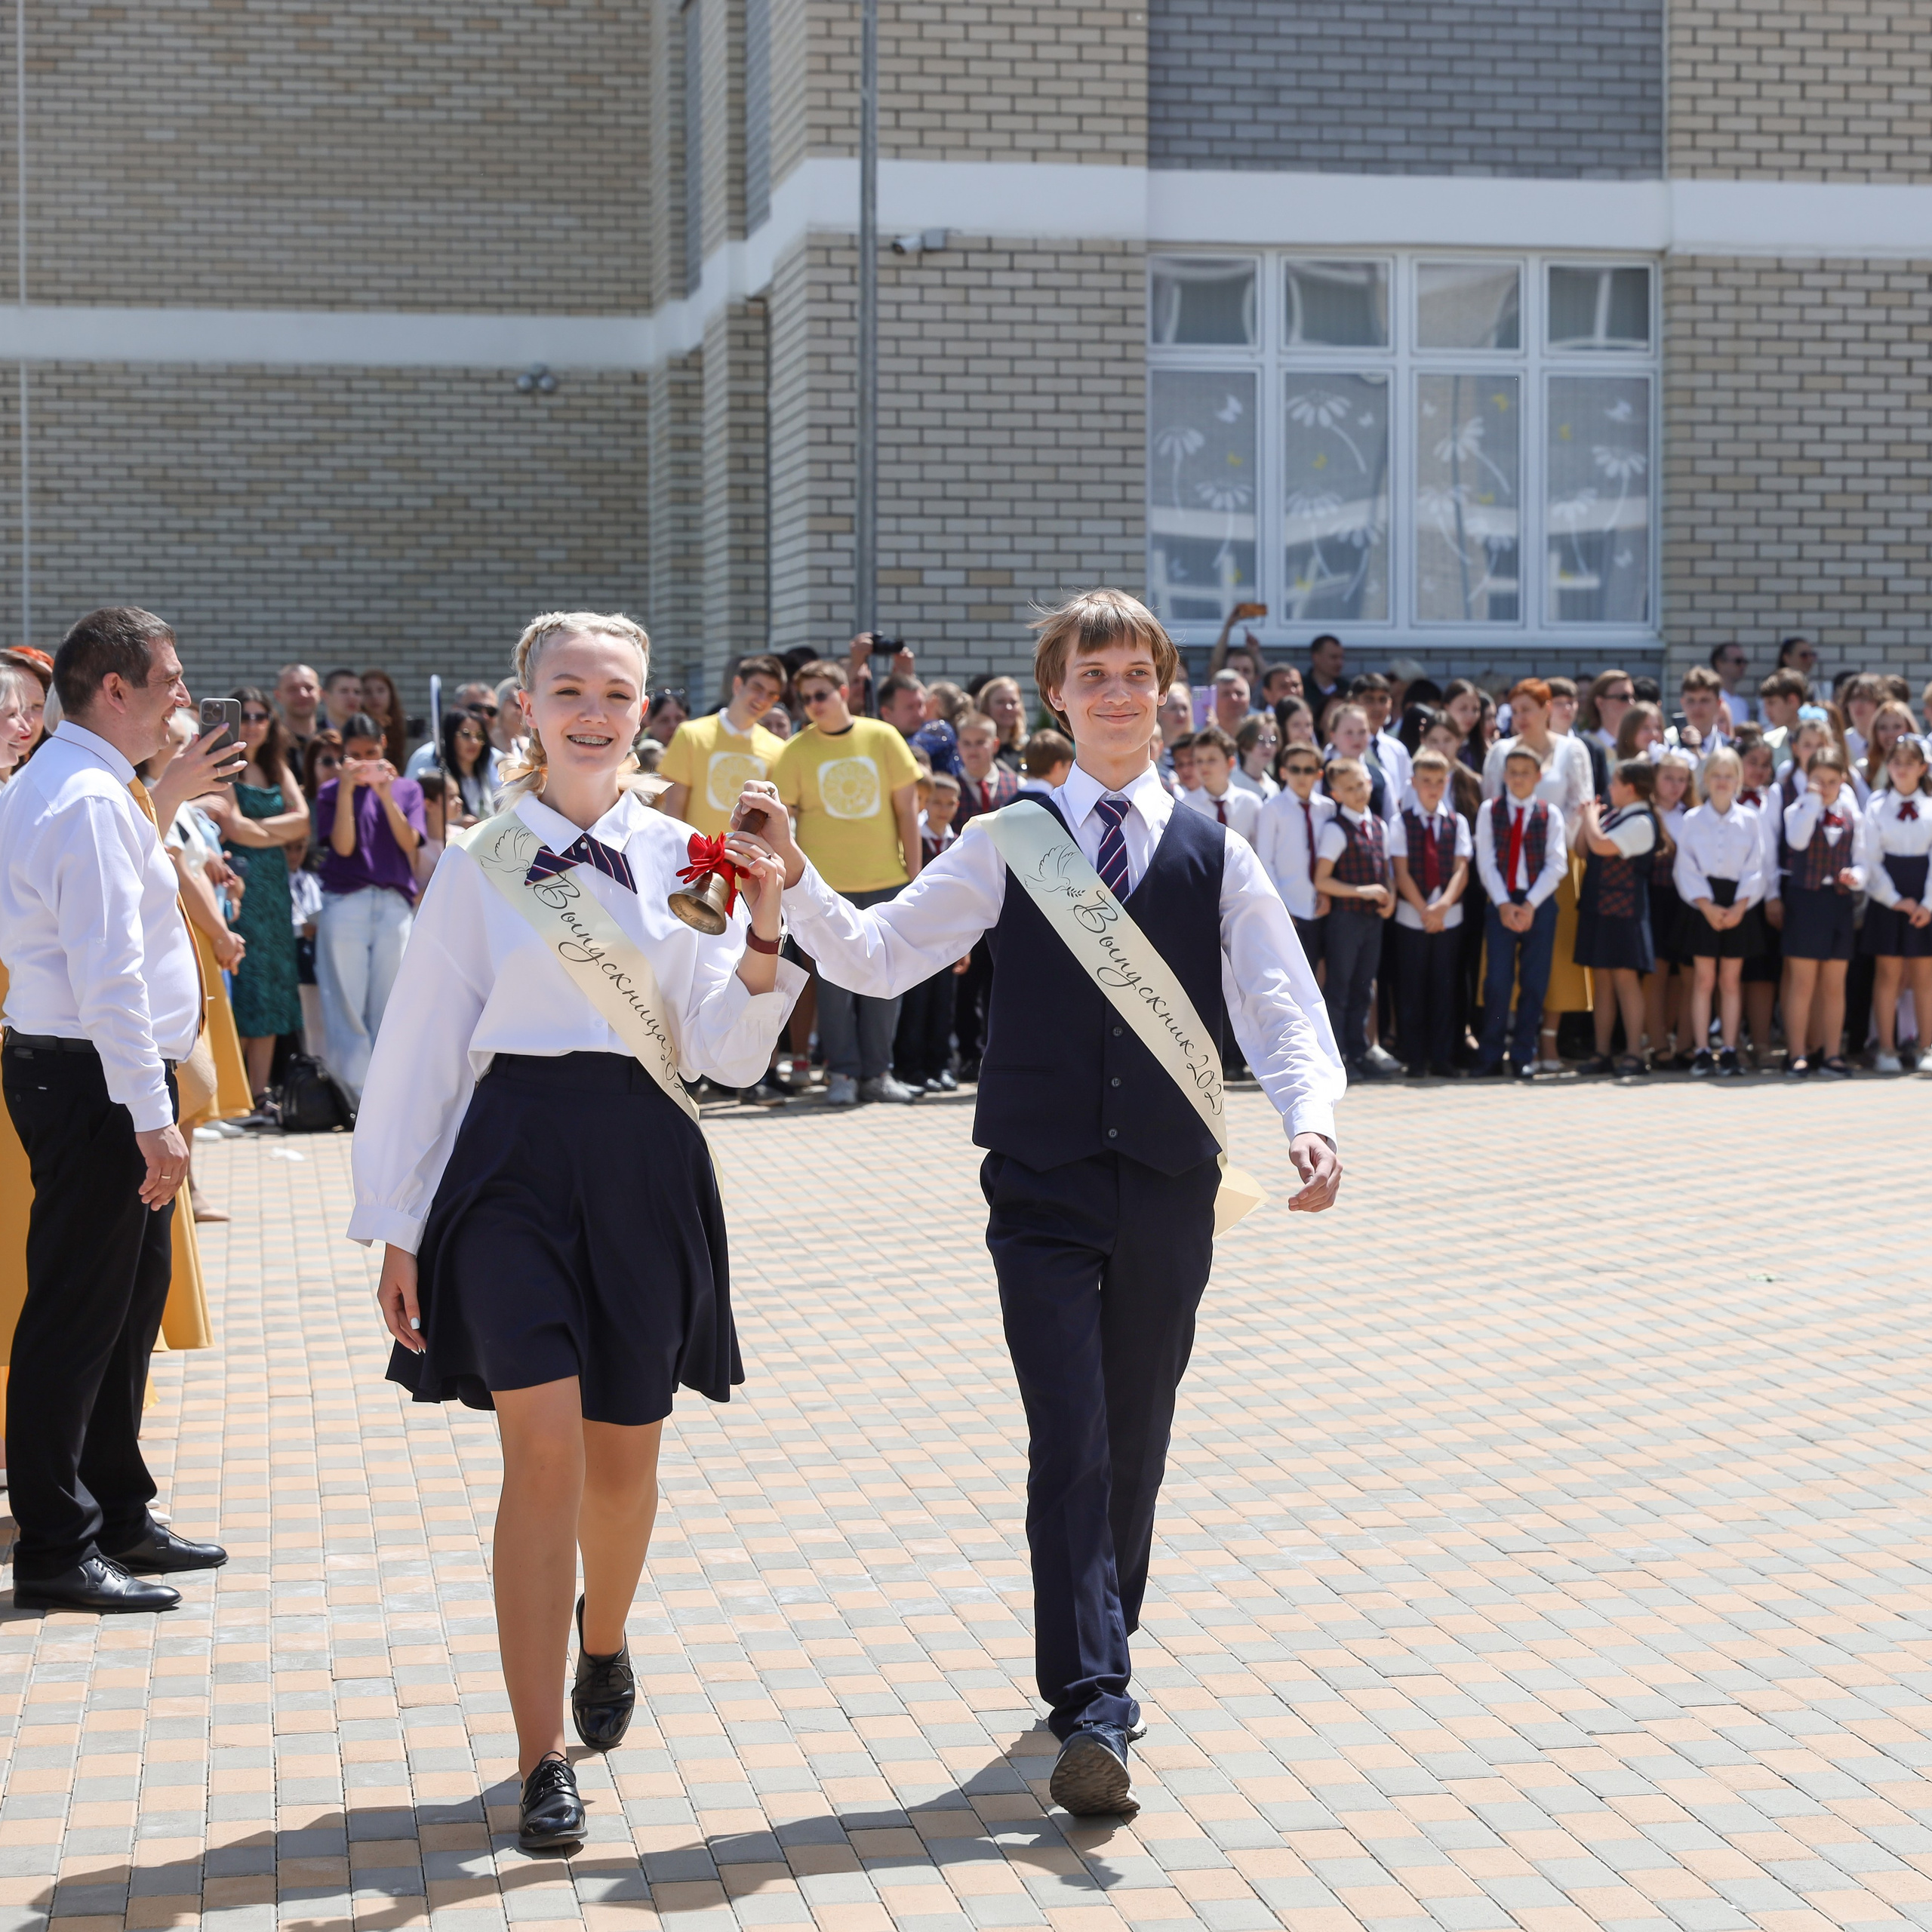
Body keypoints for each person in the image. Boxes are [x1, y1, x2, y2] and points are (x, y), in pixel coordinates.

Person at [734, 587, 1343, 1819]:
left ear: (1166, 696)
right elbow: (881, 956)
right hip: (1041, 1183)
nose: (1117, 695)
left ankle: (1102, 1645)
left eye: (1136, 675)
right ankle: (1094, 1703)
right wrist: (797, 881)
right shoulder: (1010, 838)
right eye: (1093, 676)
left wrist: (1310, 1113)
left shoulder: (1215, 847)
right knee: (1070, 1432)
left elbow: (1277, 997)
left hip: (1169, 1184)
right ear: (1056, 696)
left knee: (1136, 1437)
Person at [351, 609, 801, 1854]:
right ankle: (539, 1753)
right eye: (568, 691)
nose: (592, 712)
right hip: (509, 1165)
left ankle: (605, 1638)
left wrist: (767, 923)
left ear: (644, 711)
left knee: (623, 1462)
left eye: (614, 692)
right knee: (539, 1452)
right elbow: (423, 1046)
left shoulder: (691, 856)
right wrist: (397, 1223)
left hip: (645, 1159)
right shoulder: (480, 861)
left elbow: (724, 1054)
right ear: (528, 708)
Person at [0, 606, 236, 1613]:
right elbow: (110, 976)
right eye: (170, 677)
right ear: (115, 690)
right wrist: (150, 1113)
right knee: (76, 1312)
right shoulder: (88, 798)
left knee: (128, 1303)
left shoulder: (87, 783)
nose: (183, 693)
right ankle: (57, 1545)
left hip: (98, 1077)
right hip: (94, 1080)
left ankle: (117, 1510)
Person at [772, 659, 923, 1106]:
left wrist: (916, 878)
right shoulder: (795, 751)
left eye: (821, 695)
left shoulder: (883, 737)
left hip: (886, 880)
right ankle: (841, 1073)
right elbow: (783, 825)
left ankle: (878, 1074)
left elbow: (907, 814)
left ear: (844, 692)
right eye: (805, 699)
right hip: (823, 889)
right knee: (833, 988)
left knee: (885, 983)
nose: (813, 705)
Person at [202, 688, 309, 1112]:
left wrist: (257, 831)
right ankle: (234, 1096)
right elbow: (233, 827)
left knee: (272, 986)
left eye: (262, 716)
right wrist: (275, 832)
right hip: (240, 888)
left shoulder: (277, 764)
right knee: (244, 983)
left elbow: (303, 822)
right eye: (245, 716)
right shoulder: (223, 765)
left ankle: (260, 1093)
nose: (254, 724)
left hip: (275, 891)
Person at [314, 712, 427, 1103]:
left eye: (370, 753)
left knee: (391, 1000)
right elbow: (343, 846)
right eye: (355, 755)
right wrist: (347, 791)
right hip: (348, 900)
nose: (363, 762)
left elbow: (409, 842)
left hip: (393, 903)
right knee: (345, 1000)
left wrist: (384, 794)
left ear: (384, 745)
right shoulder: (331, 791)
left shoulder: (407, 789)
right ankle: (356, 1096)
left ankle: (388, 1093)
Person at [1482, 680, 1593, 1072]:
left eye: (1528, 709)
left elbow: (1581, 804)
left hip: (1552, 869)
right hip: (1504, 877)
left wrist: (1552, 845)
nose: (1520, 717)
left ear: (1548, 709)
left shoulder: (1571, 750)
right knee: (1499, 976)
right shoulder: (1501, 751)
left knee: (1545, 970)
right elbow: (1492, 802)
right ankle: (1494, 1050)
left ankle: (1537, 1048)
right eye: (1515, 711)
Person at [1474, 746, 1568, 1079]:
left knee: (1534, 981)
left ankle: (1523, 1054)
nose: (1518, 779)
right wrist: (1503, 904)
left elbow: (1557, 864)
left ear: (1538, 777)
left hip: (1537, 903)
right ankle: (1490, 1054)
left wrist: (1529, 904)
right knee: (1498, 981)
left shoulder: (1550, 814)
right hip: (1502, 901)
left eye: (1525, 773)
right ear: (1504, 776)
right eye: (1512, 772)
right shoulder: (1490, 810)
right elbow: (1486, 860)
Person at [1673, 746, 1763, 1076]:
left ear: (1738, 780)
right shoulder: (1692, 819)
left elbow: (1756, 866)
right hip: (1703, 903)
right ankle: (1701, 1050)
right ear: (1705, 780)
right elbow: (1685, 867)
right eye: (1716, 775)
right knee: (1703, 979)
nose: (1722, 782)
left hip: (1738, 902)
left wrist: (1740, 906)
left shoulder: (1750, 820)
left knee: (1730, 980)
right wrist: (1706, 905)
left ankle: (1728, 1049)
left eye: (1729, 775)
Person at [1574, 760, 1664, 1077]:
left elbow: (1600, 845)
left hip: (1625, 912)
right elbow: (1583, 849)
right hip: (1600, 909)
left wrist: (1590, 820)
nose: (1609, 789)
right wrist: (1588, 821)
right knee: (1602, 981)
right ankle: (1602, 1053)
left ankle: (1634, 1054)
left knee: (1626, 981)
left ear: (1630, 788)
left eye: (1614, 783)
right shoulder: (1613, 816)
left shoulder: (1642, 821)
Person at [1386, 749, 1471, 1078]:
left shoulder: (1457, 822)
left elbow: (1461, 869)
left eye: (1438, 781)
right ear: (1413, 782)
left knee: (1445, 989)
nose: (1433, 788)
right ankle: (1416, 1058)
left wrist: (1443, 907)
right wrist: (1425, 911)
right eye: (1426, 781)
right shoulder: (1401, 822)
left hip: (1449, 917)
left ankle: (1442, 1057)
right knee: (1412, 988)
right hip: (1413, 917)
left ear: (1447, 782)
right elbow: (1401, 872)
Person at [1781, 747, 1862, 1076]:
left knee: (1834, 985)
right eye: (1818, 780)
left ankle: (1832, 1054)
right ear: (1808, 778)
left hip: (1839, 901)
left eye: (1831, 781)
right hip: (1805, 901)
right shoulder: (1797, 810)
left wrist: (1856, 876)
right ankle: (1797, 1053)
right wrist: (1813, 801)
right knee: (1802, 984)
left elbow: (1862, 859)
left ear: (1842, 780)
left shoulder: (1852, 814)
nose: (1825, 787)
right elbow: (1798, 841)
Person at [1857, 737, 1932, 1072]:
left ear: (1923, 768)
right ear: (1888, 767)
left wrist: (1927, 904)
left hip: (1924, 900)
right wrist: (1895, 900)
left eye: (1910, 763)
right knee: (1887, 975)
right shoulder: (1876, 807)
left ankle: (1926, 1047)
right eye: (1896, 763)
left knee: (1924, 978)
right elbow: (1870, 859)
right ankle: (1886, 1049)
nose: (1902, 769)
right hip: (1888, 901)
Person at [657, 654, 789, 837]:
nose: (762, 699)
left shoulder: (778, 748)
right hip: (695, 853)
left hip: (746, 853)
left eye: (771, 695)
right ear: (738, 685)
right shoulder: (690, 734)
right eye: (757, 688)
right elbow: (674, 811)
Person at [1254, 743, 1332, 974]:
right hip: (1289, 905)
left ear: (1319, 774)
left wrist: (1327, 893)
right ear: (1283, 772)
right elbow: (1265, 861)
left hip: (1322, 905)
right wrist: (1281, 906)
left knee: (1322, 971)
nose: (1301, 776)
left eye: (1309, 770)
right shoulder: (1273, 808)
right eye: (1295, 769)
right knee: (1293, 974)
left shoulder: (1327, 808)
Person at [1643, 751, 1697, 1065]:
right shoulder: (1646, 815)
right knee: (1657, 974)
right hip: (1656, 900)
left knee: (1685, 976)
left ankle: (1684, 1042)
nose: (1675, 786)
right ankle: (1658, 1043)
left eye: (1681, 779)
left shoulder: (1692, 815)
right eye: (1668, 778)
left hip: (1687, 902)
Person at [1180, 727, 1260, 840]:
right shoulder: (1187, 806)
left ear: (1230, 763)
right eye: (1199, 761)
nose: (1204, 766)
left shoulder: (1250, 803)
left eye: (1211, 760)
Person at [954, 712, 1020, 826]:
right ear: (959, 746)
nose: (973, 750)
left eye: (980, 743)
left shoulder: (1017, 785)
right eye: (967, 743)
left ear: (995, 745)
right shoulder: (949, 789)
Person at [441, 707, 497, 823]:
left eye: (479, 736)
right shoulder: (441, 778)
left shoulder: (488, 773)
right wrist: (458, 823)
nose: (474, 742)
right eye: (466, 734)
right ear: (451, 737)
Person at [360, 667, 411, 768]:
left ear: (390, 694)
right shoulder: (355, 728)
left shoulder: (406, 727)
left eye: (381, 690)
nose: (375, 697)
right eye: (367, 692)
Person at [979, 675, 1028, 769]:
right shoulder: (977, 749)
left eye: (1013, 702)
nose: (1008, 708)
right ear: (986, 707)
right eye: (1000, 702)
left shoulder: (1027, 749)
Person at [275, 662, 323, 749]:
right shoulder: (270, 745)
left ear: (320, 693)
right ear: (278, 696)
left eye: (309, 688)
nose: (302, 694)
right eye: (293, 689)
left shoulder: (333, 744)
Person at [1232, 714, 1278, 800]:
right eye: (1260, 740)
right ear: (1244, 746)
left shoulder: (1273, 788)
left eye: (1272, 740)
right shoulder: (1231, 785)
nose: (1268, 746)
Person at [1712, 643, 1755, 725]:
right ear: (1719, 663)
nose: (1743, 666)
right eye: (1738, 661)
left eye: (1744, 662)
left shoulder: (1742, 704)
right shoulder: (1710, 699)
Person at [1306, 632, 1346, 712]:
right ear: (1316, 658)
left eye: (1341, 658)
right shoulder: (1302, 689)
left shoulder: (1347, 689)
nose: (1339, 663)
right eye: (1333, 657)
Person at [321, 667, 364, 733]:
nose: (352, 697)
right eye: (344, 691)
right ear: (325, 696)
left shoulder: (370, 736)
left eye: (357, 692)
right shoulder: (313, 736)